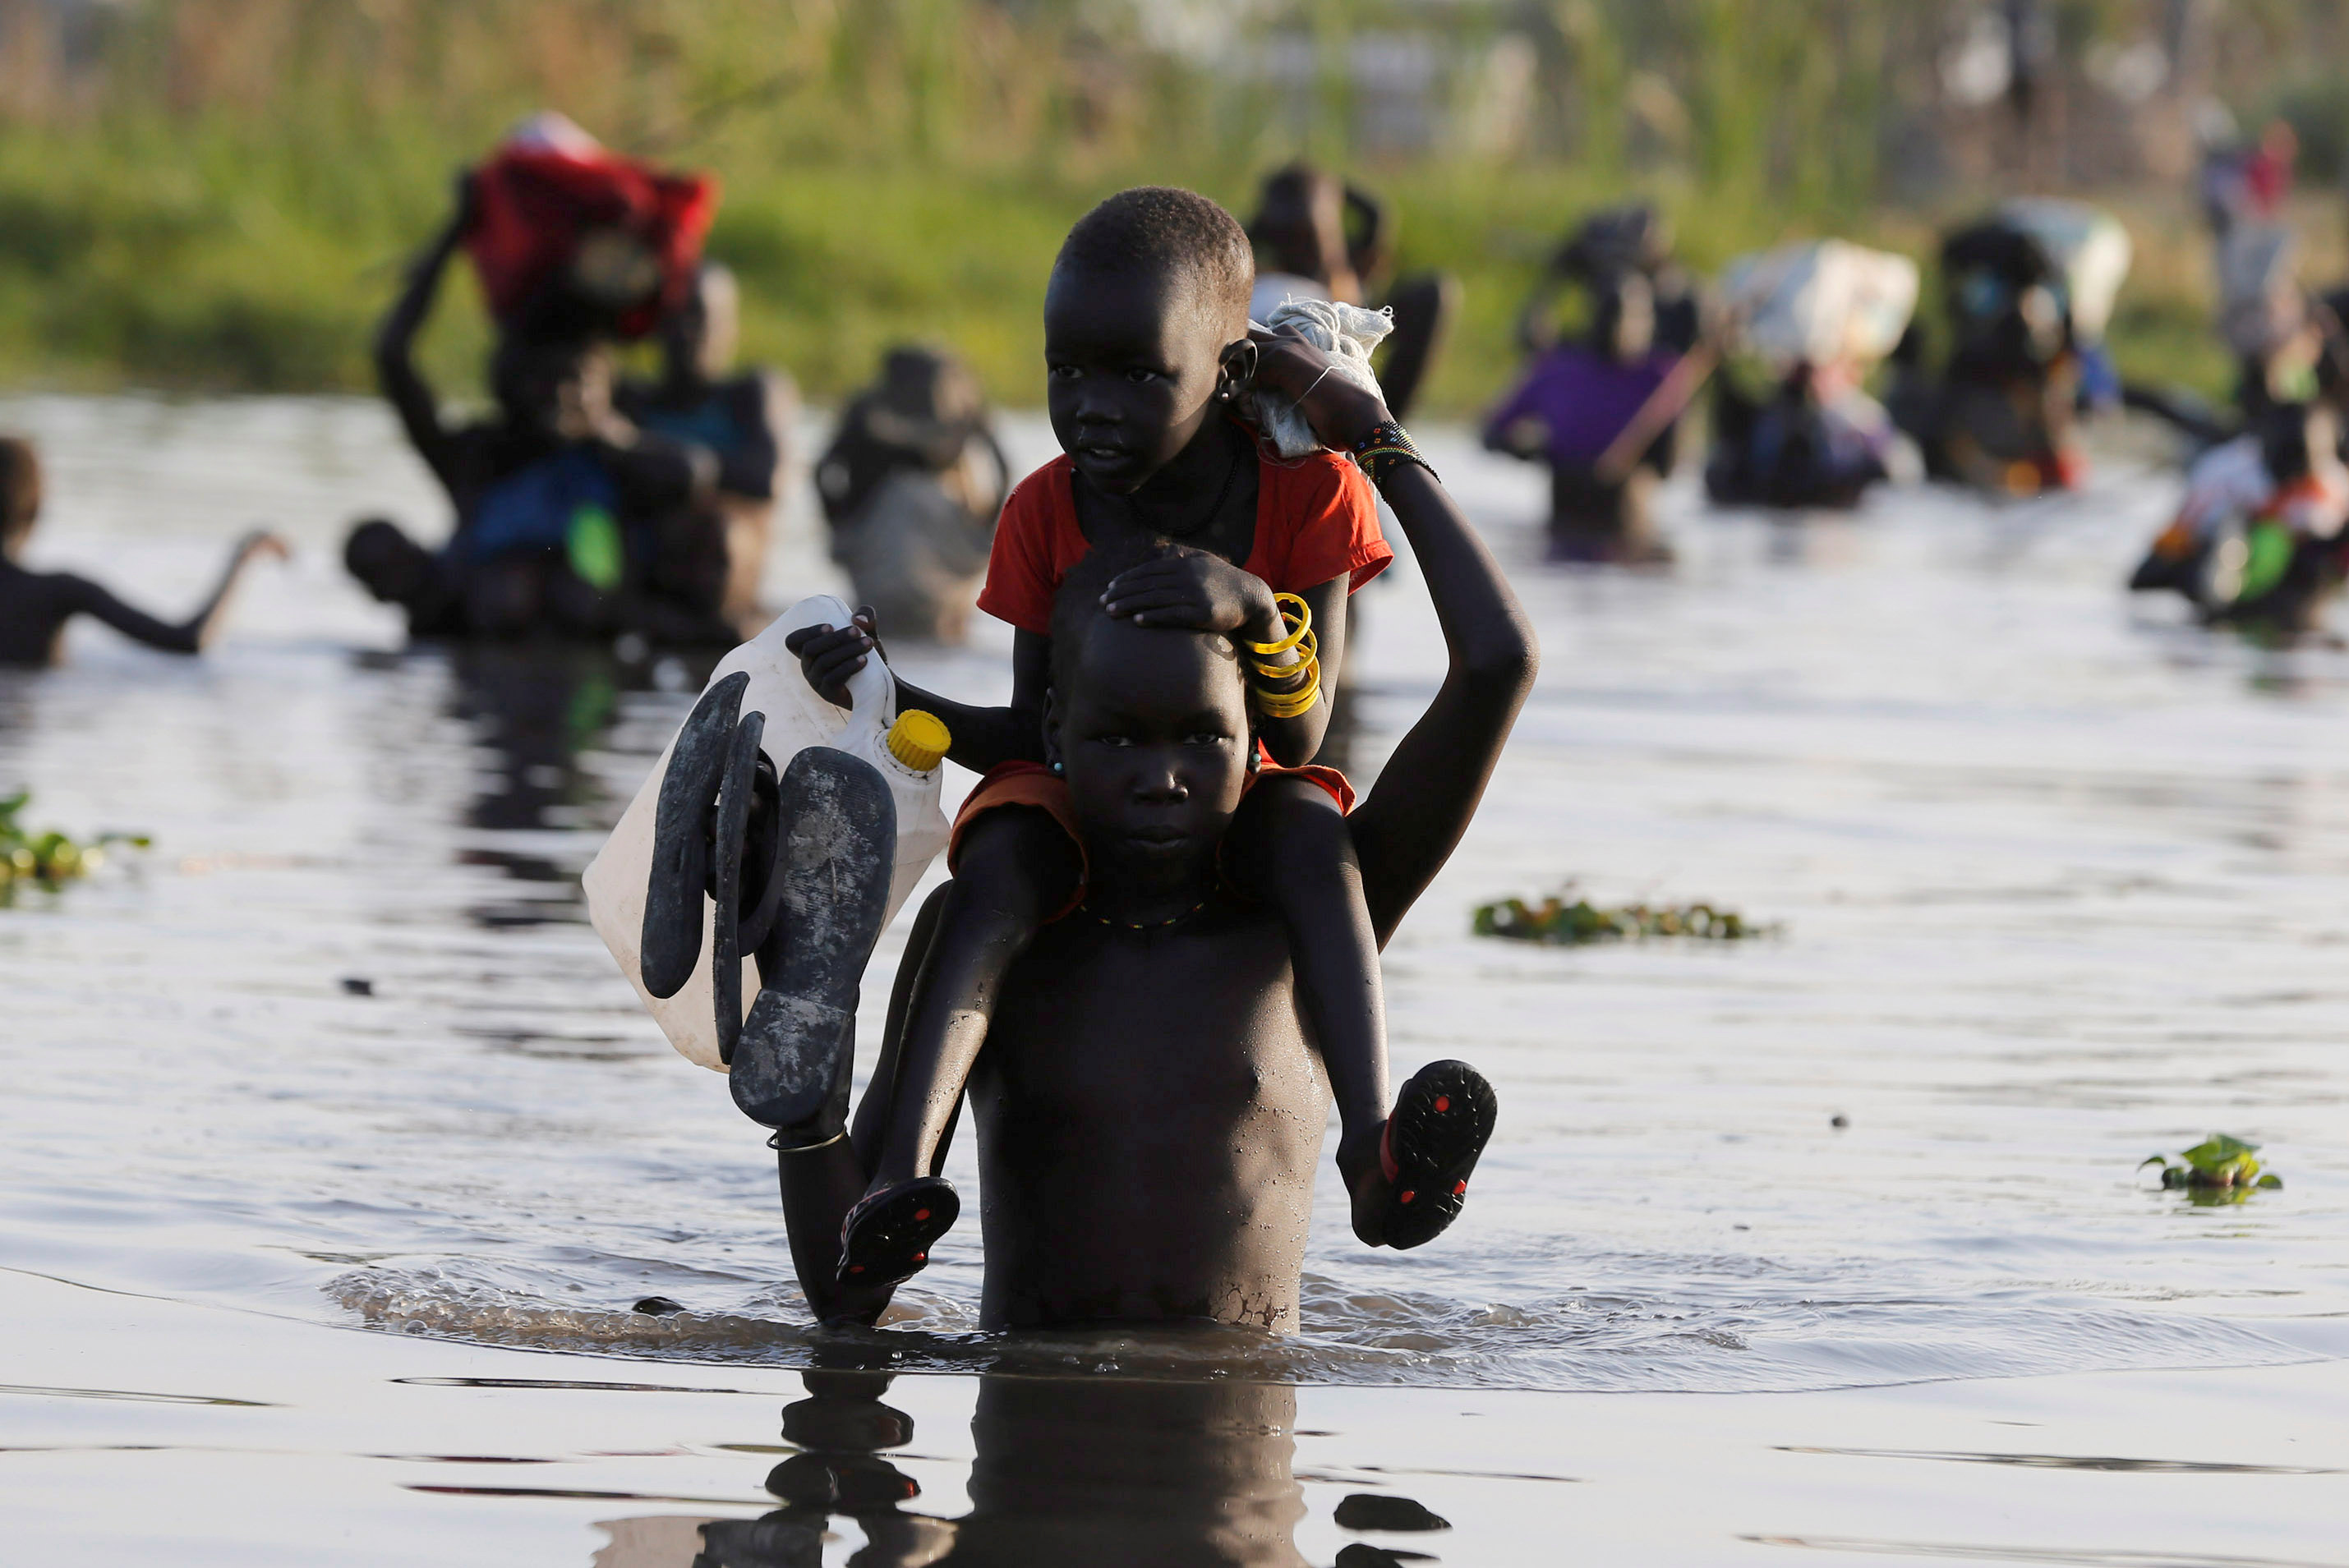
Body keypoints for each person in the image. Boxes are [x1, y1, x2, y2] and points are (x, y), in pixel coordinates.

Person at [704, 218, 1536, 1329]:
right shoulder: (989, 937)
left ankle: (1375, 1155)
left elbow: (1492, 664)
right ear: (1065, 729)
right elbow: (848, 1301)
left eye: (1196, 738)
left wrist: (1370, 432)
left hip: (1231, 1465)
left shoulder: (1303, 915)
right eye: (1114, 739)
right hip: (1025, 1476)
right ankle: (875, 1134)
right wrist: (805, 1127)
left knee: (1302, 829)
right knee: (995, 851)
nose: (1156, 780)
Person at [349, 178, 730, 642]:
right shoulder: (478, 459)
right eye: (540, 382)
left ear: (600, 390)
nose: (554, 397)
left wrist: (600, 429)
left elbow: (694, 475)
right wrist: (453, 237)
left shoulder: (613, 456)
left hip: (593, 648)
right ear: (508, 385)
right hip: (493, 659)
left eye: (571, 383)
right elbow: (393, 356)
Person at [1485, 205, 1701, 560]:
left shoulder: (1662, 377)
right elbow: (1492, 432)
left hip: (1630, 539)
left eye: (1631, 314)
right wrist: (1527, 447)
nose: (1618, 324)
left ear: (1648, 322)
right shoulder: (1559, 369)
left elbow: (1671, 466)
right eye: (1608, 311)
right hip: (1562, 527)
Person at [615, 263, 796, 634]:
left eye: (700, 318)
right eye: (674, 318)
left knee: (718, 529)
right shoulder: (632, 400)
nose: (687, 333)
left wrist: (689, 469)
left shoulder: (751, 394)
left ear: (730, 329)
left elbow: (767, 479)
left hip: (724, 569)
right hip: (656, 563)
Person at [0, 436, 285, 667]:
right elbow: (188, 641)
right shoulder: (59, 591)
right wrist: (241, 558)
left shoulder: (60, 591)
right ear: (35, 506)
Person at [1246, 162, 1455, 422]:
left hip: (1341, 380)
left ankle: (1385, 428)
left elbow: (1377, 215)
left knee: (1433, 292)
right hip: (1271, 362)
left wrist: (1325, 186)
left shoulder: (1344, 270)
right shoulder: (1255, 266)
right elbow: (1375, 213)